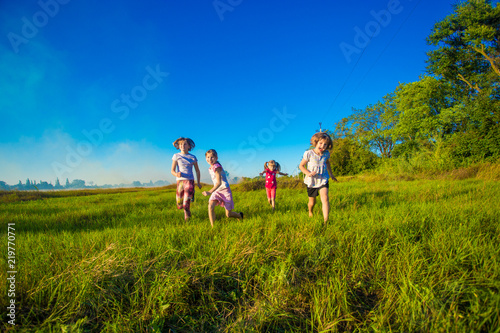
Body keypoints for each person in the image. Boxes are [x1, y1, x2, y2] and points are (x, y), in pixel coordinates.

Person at [299, 132, 338, 222]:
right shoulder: (309, 153)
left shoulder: (326, 154)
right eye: (320, 143)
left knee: (325, 198)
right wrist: (307, 173)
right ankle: (310, 211)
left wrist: (331, 174)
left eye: (325, 144)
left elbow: (327, 163)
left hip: (323, 179)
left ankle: (326, 221)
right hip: (311, 181)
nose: (322, 146)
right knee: (312, 202)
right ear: (316, 142)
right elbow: (301, 166)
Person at [202, 149, 243, 227]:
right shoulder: (210, 168)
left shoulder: (217, 167)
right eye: (208, 157)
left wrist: (209, 192)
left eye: (212, 157)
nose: (210, 159)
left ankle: (239, 215)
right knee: (210, 206)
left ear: (216, 158)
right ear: (205, 158)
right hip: (217, 191)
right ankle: (213, 227)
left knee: (228, 214)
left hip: (225, 191)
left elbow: (219, 183)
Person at [171, 137, 202, 221]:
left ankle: (187, 220)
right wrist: (176, 174)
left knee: (185, 205)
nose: (182, 146)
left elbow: (197, 171)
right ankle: (191, 195)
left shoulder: (192, 157)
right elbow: (172, 170)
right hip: (180, 181)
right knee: (179, 204)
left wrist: (198, 182)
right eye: (181, 144)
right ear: (179, 146)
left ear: (189, 146)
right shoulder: (176, 156)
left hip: (190, 181)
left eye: (185, 144)